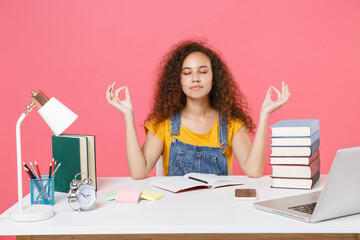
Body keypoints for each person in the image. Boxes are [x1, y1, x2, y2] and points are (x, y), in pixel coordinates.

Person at [106, 40, 290, 179]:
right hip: (175, 216)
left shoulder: (231, 124)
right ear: (178, 80)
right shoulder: (163, 124)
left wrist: (265, 115)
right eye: (187, 73)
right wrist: (128, 117)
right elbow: (139, 172)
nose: (195, 78)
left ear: (214, 78)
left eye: (203, 72)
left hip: (218, 217)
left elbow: (254, 171)